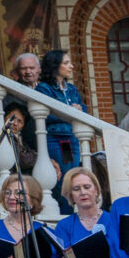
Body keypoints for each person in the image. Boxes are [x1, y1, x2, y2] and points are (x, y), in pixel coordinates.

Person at [34, 50, 88, 189]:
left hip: (71, 138)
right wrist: (71, 110)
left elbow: (84, 109)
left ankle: (69, 207)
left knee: (72, 176)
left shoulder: (71, 88)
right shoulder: (44, 88)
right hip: (56, 139)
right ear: (54, 65)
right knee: (62, 177)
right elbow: (47, 115)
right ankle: (64, 209)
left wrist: (79, 110)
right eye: (66, 63)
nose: (71, 66)